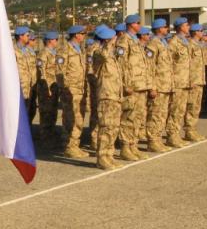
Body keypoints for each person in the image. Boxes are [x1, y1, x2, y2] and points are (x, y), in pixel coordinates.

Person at [116, 13, 149, 160]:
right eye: (138, 23)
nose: (140, 25)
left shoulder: (135, 40)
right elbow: (121, 64)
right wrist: (126, 84)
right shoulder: (124, 40)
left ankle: (133, 145)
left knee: (138, 117)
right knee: (128, 117)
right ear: (131, 24)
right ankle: (125, 147)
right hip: (131, 86)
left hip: (140, 85)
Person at [91, 26, 123, 170]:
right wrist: (109, 43)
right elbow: (102, 56)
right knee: (106, 126)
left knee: (113, 127)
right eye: (113, 38)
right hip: (106, 95)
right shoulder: (98, 52)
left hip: (115, 95)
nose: (116, 40)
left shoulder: (112, 55)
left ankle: (109, 155)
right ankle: (102, 157)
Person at [56, 24, 88, 159]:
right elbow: (60, 71)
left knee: (78, 118)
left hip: (80, 89)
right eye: (83, 34)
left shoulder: (79, 49)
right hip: (70, 90)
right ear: (76, 35)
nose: (84, 36)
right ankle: (69, 146)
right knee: (71, 119)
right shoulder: (65, 50)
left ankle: (74, 145)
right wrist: (64, 89)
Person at [146, 18, 172, 153]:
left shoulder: (163, 43)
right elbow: (149, 67)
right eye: (165, 27)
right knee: (155, 114)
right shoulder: (153, 44)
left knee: (162, 114)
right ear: (159, 28)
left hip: (165, 85)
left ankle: (158, 139)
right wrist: (152, 86)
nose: (167, 29)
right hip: (158, 85)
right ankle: (152, 141)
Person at [166, 17, 192, 148]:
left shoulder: (185, 42)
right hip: (177, 82)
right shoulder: (174, 43)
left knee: (181, 110)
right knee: (175, 110)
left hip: (185, 81)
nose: (188, 27)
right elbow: (168, 63)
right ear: (180, 27)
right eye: (186, 25)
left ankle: (176, 134)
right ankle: (171, 136)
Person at [36, 31, 61, 145]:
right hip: (46, 87)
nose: (57, 41)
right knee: (46, 112)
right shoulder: (43, 54)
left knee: (53, 111)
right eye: (56, 39)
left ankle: (51, 132)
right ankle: (45, 136)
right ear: (50, 41)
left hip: (53, 86)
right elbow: (41, 72)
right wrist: (46, 89)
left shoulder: (54, 53)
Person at [184, 23, 206, 141]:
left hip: (199, 80)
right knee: (191, 106)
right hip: (193, 81)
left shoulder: (198, 45)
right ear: (196, 32)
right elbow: (187, 64)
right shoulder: (190, 45)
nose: (202, 33)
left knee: (196, 107)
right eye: (201, 31)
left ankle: (193, 129)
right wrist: (190, 79)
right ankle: (189, 130)